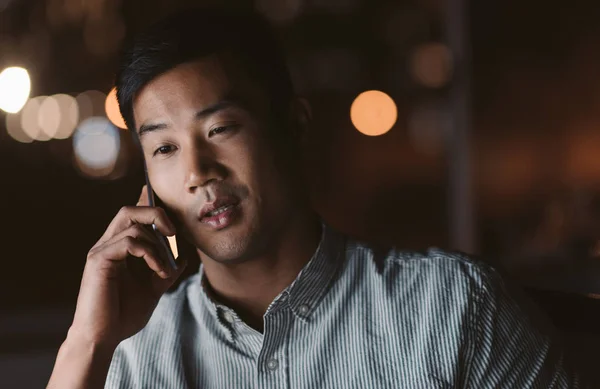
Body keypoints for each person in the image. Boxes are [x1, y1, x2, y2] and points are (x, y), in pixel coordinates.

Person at [48, 7, 586, 389]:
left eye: (221, 128)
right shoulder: (133, 354)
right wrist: (87, 344)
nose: (196, 173)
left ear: (293, 125)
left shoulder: (456, 309)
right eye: (164, 147)